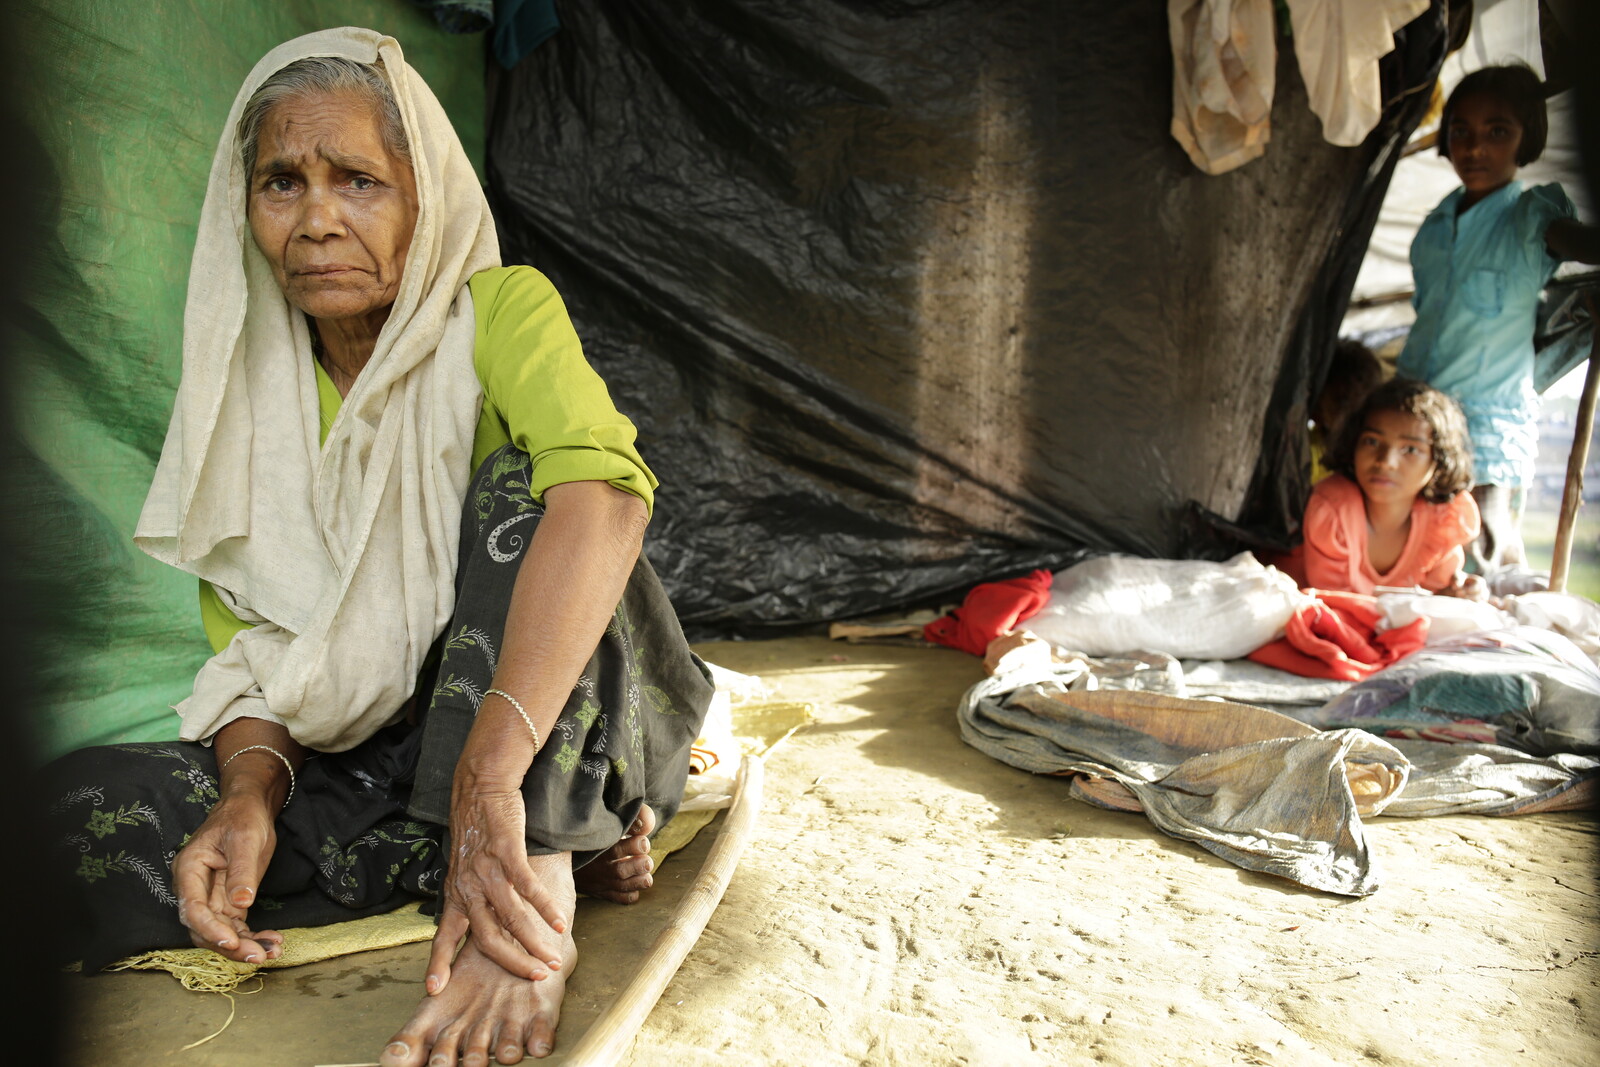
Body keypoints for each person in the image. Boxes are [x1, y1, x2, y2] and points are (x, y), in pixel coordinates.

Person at [46, 28, 712, 1066]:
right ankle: (501, 844)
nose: (317, 219)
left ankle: (529, 872)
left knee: (526, 501)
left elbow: (606, 504)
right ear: (248, 208)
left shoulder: (498, 311)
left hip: (541, 709)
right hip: (379, 754)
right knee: (71, 810)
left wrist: (493, 781)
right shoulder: (246, 392)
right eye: (281, 183)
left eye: (358, 179)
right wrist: (246, 794)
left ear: (423, 198)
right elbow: (264, 649)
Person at [1397, 64, 1600, 575]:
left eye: (1497, 131)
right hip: (1417, 420)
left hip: (1487, 433)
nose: (1475, 147)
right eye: (1460, 130)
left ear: (1525, 138)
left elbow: (1583, 244)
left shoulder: (1531, 218)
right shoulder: (1435, 227)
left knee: (1482, 565)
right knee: (1419, 563)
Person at [1280, 378, 1483, 598]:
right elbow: (1334, 604)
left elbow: (1437, 594)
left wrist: (1458, 593)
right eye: (1372, 442)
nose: (1386, 461)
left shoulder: (1444, 519)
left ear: (1439, 461)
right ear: (1353, 444)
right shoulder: (1333, 509)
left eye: (1411, 450)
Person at [1309, 338, 1384, 484]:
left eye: (1363, 405)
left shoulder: (1383, 449)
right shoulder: (1308, 457)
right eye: (1342, 402)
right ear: (1318, 413)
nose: (1353, 416)